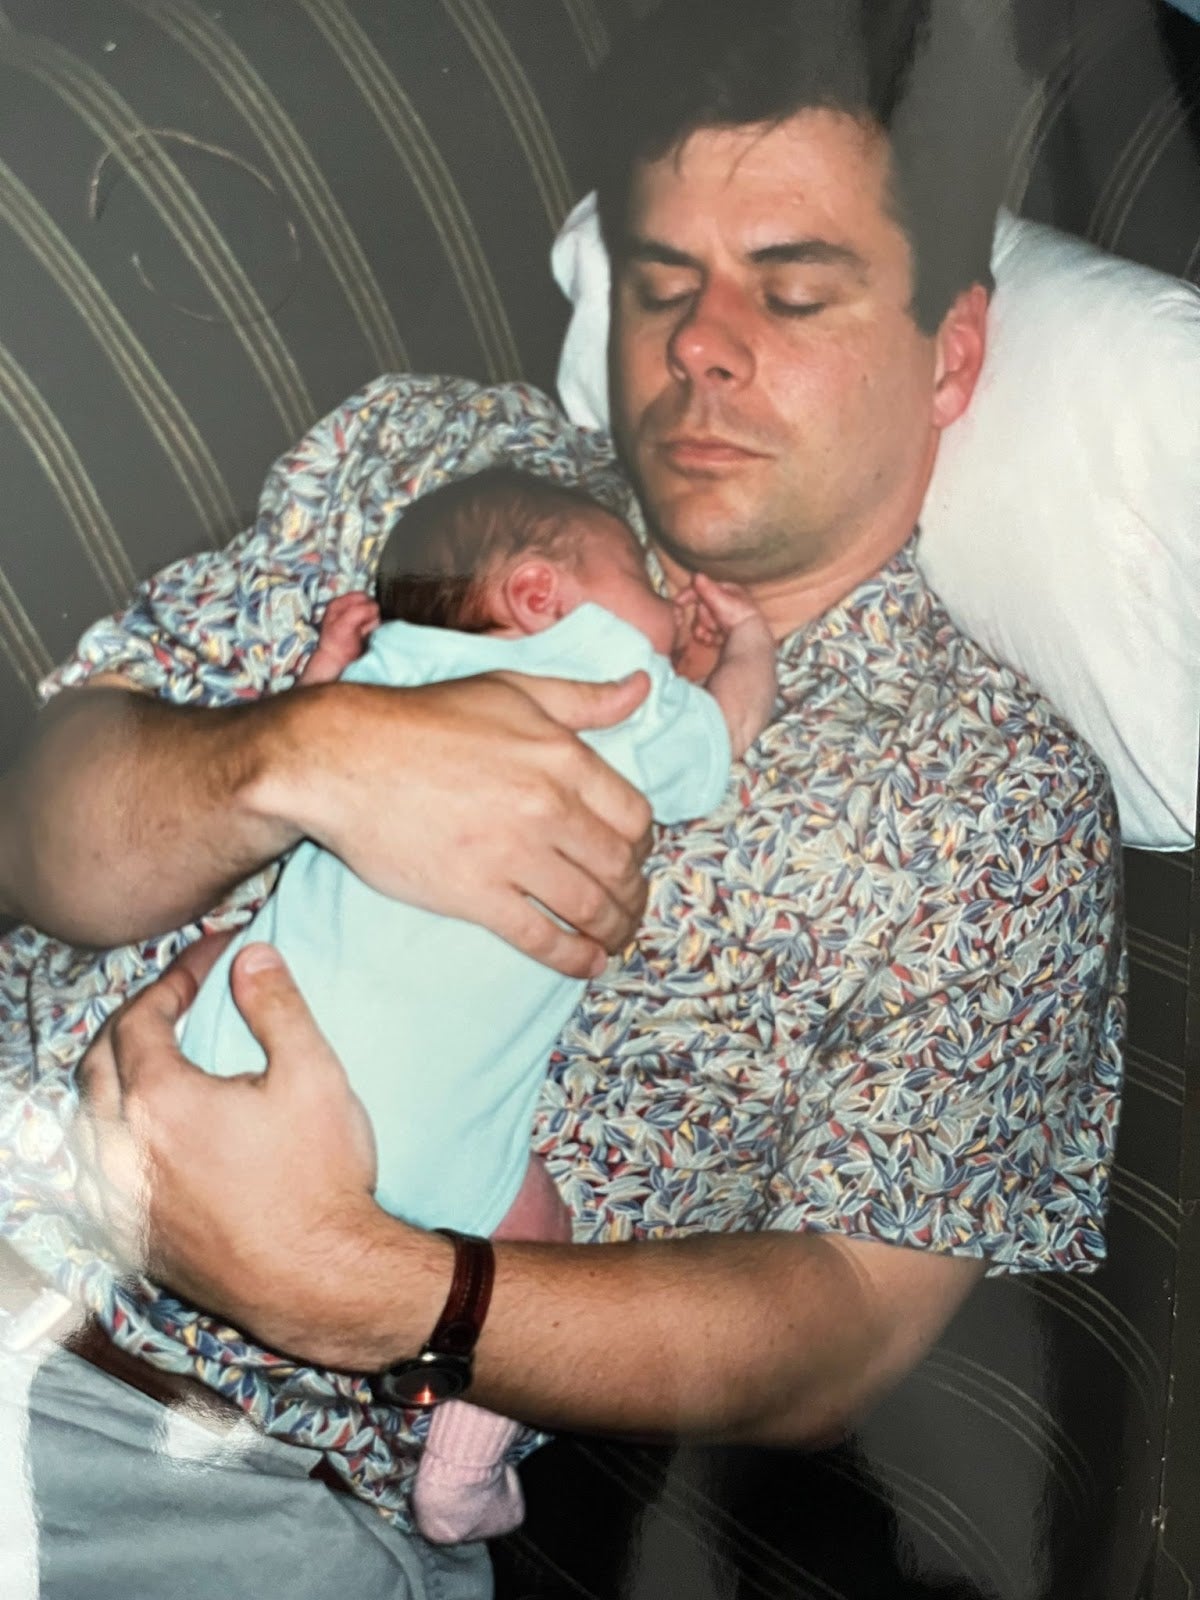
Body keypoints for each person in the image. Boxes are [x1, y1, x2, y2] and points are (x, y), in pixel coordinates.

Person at [0, 2, 1124, 1596]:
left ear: (951, 351)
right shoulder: (434, 467)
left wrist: (379, 1287)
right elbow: (39, 832)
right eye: (663, 282)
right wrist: (301, 751)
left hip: (251, 1484)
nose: (698, 344)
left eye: (792, 290)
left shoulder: (994, 804)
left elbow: (844, 1327)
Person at [178, 466, 777, 1544]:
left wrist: (325, 670)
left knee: (231, 949)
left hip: (245, 1054)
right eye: (637, 575)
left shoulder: (387, 676)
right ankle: (460, 1466)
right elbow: (718, 745)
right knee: (536, 1242)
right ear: (542, 597)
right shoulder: (606, 676)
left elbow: (304, 733)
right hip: (440, 1156)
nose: (654, 599)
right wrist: (739, 652)